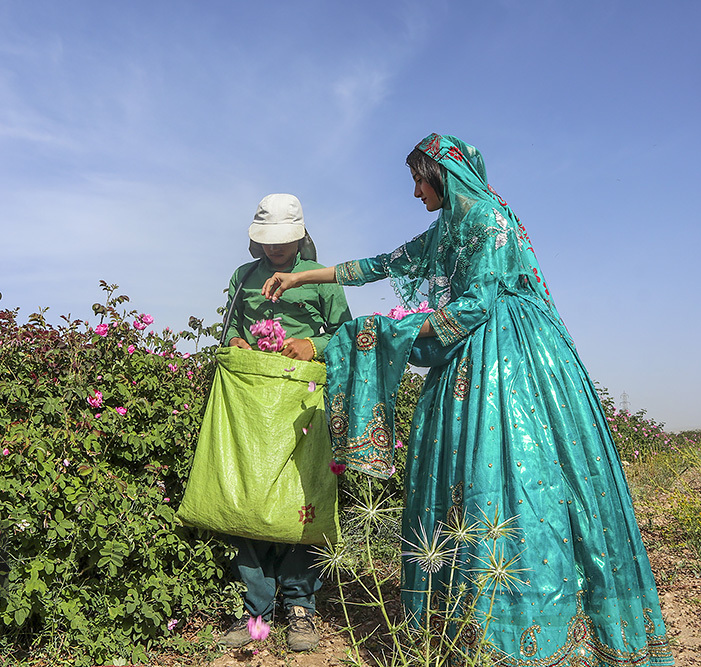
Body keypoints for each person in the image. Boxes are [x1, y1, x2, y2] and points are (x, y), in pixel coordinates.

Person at [261, 136, 674, 664]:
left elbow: (477, 303)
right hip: (467, 353)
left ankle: (522, 628)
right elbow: (380, 264)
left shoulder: (486, 221)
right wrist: (301, 275)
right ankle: (461, 619)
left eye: (420, 180)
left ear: (446, 178)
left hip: (509, 354)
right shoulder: (447, 229)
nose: (415, 192)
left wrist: (370, 333)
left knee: (509, 472)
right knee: (468, 471)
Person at [218, 193, 352, 652]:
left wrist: (313, 345)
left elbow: (347, 338)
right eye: (268, 242)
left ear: (299, 237)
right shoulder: (244, 277)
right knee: (251, 497)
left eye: (283, 242)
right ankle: (256, 609)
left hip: (305, 404)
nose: (275, 250)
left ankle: (300, 607)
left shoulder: (322, 283)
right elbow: (232, 325)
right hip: (255, 403)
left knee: (301, 498)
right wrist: (238, 339)